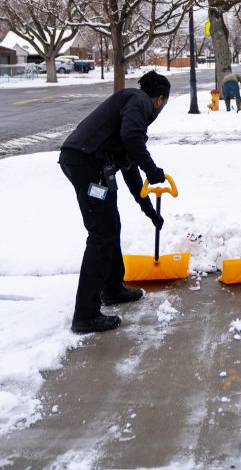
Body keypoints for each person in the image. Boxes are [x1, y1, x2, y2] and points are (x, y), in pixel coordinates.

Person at [58, 71, 171, 334]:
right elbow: (133, 138)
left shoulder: (131, 105)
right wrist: (153, 170)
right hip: (87, 161)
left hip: (89, 162)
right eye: (164, 103)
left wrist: (149, 211)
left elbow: (131, 171)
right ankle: (85, 314)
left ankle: (112, 288)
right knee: (101, 234)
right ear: (160, 99)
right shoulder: (139, 101)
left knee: (110, 226)